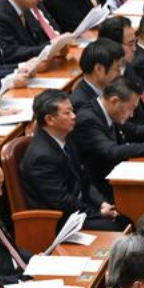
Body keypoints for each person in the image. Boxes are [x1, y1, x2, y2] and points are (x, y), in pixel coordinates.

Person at [19, 90, 125, 231]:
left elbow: (84, 179)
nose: (74, 116)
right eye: (67, 113)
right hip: (60, 221)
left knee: (124, 217)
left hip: (78, 209)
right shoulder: (41, 157)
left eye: (72, 111)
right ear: (50, 119)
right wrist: (97, 213)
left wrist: (102, 203)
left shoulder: (66, 138)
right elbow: (62, 201)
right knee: (117, 227)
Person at [73, 78, 144, 199]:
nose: (132, 115)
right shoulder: (88, 120)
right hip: (103, 189)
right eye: (131, 108)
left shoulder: (108, 110)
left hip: (118, 176)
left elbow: (133, 130)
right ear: (115, 101)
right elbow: (111, 151)